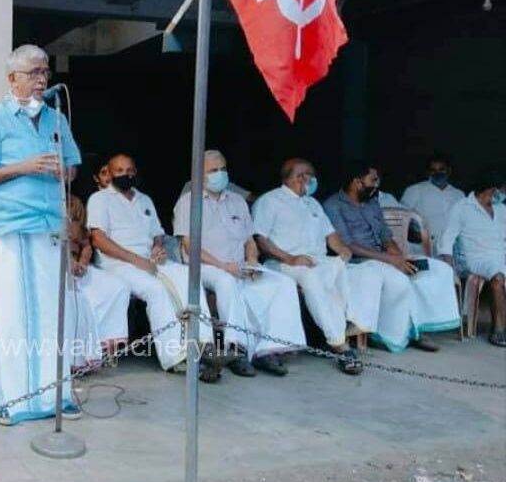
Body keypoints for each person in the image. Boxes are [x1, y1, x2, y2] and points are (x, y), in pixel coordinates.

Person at [0, 44, 83, 425]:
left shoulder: (56, 118)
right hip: (13, 226)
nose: (41, 79)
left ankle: (55, 395)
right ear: (12, 78)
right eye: (33, 72)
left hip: (49, 225)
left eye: (45, 72)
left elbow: (73, 169)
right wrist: (24, 166)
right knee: (13, 313)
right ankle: (11, 400)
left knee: (51, 313)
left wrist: (62, 172)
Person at [88, 153, 219, 381]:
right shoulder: (100, 199)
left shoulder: (144, 200)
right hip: (117, 263)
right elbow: (98, 239)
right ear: (109, 173)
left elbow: (157, 233)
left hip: (150, 260)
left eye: (130, 170)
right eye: (120, 171)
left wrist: (158, 248)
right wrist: (134, 259)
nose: (126, 175)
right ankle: (176, 358)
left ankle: (204, 345)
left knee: (189, 277)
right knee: (156, 290)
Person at [173, 150, 305, 377]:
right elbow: (189, 245)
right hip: (206, 266)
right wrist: (224, 266)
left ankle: (268, 350)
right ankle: (237, 350)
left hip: (240, 265)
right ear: (199, 174)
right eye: (213, 170)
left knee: (282, 284)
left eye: (223, 169)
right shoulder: (188, 202)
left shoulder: (237, 201)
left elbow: (249, 240)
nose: (220, 174)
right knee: (226, 282)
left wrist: (252, 260)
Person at [322, 161, 460, 353]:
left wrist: (397, 254)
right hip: (358, 263)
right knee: (400, 281)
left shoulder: (372, 202)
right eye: (373, 180)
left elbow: (385, 235)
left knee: (438, 270)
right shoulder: (333, 205)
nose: (377, 185)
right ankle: (399, 334)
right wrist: (390, 260)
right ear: (357, 182)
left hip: (384, 257)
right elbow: (348, 245)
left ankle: (419, 327)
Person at [252, 158, 364, 375]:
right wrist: (290, 258)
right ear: (292, 178)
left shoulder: (313, 203)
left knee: (348, 270)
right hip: (284, 263)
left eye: (311, 175)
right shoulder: (270, 201)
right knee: (311, 279)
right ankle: (340, 346)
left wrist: (342, 250)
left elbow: (330, 234)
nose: (310, 180)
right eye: (305, 175)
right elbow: (260, 239)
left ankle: (344, 323)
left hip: (316, 260)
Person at [438, 169, 506, 347]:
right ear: (491, 189)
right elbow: (447, 238)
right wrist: (448, 267)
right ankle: (499, 330)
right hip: (477, 258)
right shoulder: (462, 208)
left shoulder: (501, 209)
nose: (502, 194)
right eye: (500, 190)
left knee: (499, 268)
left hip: (500, 255)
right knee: (498, 277)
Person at [67, 191, 131, 366]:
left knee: (119, 287)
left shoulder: (77, 219)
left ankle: (106, 344)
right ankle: (82, 353)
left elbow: (86, 246)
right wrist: (69, 262)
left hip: (79, 269)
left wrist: (82, 263)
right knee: (82, 299)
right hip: (57, 269)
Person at [402, 155, 465, 250]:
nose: (437, 173)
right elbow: (401, 216)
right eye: (433, 170)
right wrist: (416, 233)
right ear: (428, 172)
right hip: (422, 247)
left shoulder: (459, 194)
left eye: (441, 169)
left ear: (449, 170)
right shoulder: (415, 190)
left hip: (453, 247)